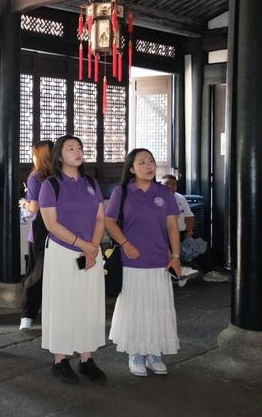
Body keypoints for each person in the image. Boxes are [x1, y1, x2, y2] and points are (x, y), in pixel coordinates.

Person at [106, 148, 181, 377]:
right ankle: (136, 352)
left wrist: (176, 257)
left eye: (151, 161)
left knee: (158, 307)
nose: (149, 166)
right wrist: (125, 243)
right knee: (135, 307)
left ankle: (154, 352)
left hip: (159, 259)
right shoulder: (122, 192)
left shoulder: (164, 193)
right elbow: (109, 222)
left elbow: (172, 226)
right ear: (131, 169)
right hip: (132, 260)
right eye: (142, 162)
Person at [38, 136, 107, 384]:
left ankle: (87, 359)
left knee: (90, 302)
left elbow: (100, 218)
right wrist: (84, 245)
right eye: (71, 149)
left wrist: (93, 247)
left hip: (91, 251)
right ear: (59, 156)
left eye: (79, 148)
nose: (77, 152)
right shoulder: (51, 185)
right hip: (63, 250)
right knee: (63, 304)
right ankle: (60, 360)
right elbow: (51, 224)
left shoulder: (91, 183)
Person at [161, 174, 227, 283]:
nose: (170, 186)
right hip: (164, 234)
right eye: (167, 184)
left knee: (200, 245)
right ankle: (175, 274)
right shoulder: (157, 199)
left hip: (182, 232)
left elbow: (189, 216)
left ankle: (209, 272)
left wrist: (189, 231)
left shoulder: (180, 198)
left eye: (173, 184)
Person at [18, 140, 53, 331]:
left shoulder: (36, 176)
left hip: (40, 232)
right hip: (61, 231)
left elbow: (34, 207)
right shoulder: (61, 176)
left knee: (34, 274)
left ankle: (27, 316)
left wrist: (24, 203)